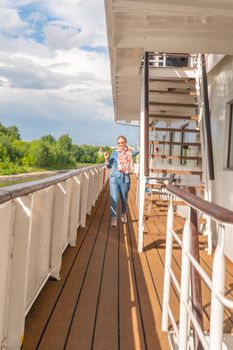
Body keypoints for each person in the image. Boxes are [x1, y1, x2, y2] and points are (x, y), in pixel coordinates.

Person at [104, 136, 138, 227]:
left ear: (125, 142)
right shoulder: (114, 152)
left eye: (122, 142)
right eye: (119, 143)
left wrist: (127, 147)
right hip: (114, 177)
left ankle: (123, 213)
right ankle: (114, 217)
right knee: (114, 198)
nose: (121, 144)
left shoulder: (129, 152)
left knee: (124, 198)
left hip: (125, 177)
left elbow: (137, 151)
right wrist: (107, 158)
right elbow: (109, 166)